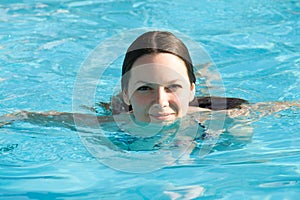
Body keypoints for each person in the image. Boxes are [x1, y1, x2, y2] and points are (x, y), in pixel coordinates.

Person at [1, 31, 299, 145]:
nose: (161, 102)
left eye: (173, 87)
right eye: (145, 88)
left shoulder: (216, 116)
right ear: (128, 92)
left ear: (191, 90)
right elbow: (31, 116)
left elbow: (284, 109)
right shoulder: (108, 123)